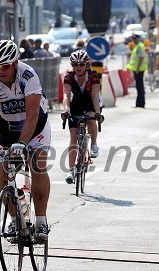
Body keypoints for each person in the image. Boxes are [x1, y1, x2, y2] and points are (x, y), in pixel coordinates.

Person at [0, 39, 50, 241]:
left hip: (35, 127)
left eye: (5, 66)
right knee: (2, 172)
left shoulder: (28, 76)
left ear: (15, 63)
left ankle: (41, 222)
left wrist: (23, 144)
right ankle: (13, 220)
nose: (0, 71)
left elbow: (33, 114)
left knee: (37, 164)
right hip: (7, 130)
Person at [62, 50, 104, 184]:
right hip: (76, 103)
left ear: (87, 65)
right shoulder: (69, 77)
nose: (78, 67)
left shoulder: (93, 76)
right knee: (73, 136)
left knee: (91, 120)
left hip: (91, 102)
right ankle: (71, 171)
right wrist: (66, 110)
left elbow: (95, 96)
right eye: (75, 64)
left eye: (81, 64)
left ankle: (94, 144)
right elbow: (66, 96)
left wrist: (97, 114)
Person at [126, 34, 148, 108]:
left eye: (135, 39)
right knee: (139, 86)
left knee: (139, 87)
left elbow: (141, 58)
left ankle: (140, 103)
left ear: (138, 39)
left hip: (139, 69)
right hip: (138, 69)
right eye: (133, 39)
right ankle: (139, 103)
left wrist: (138, 68)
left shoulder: (139, 46)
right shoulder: (137, 46)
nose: (134, 40)